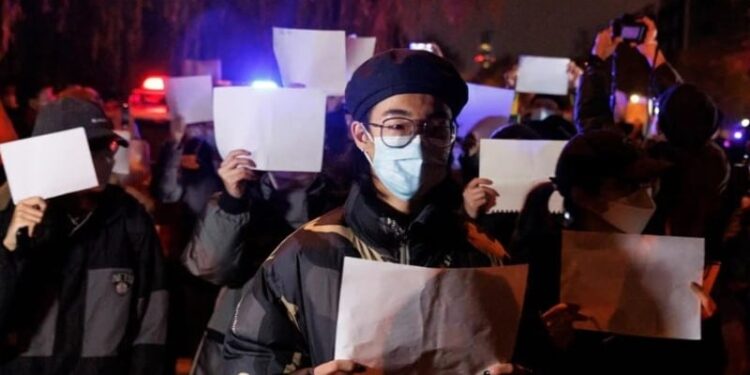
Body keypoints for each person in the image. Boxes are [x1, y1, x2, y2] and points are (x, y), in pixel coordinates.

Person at [223, 49, 514, 374]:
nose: (417, 141)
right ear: (362, 136)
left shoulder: (487, 258)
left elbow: (527, 354)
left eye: (435, 128)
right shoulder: (306, 254)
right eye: (397, 125)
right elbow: (248, 359)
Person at [511, 129, 719, 373]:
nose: (643, 195)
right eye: (625, 185)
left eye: (646, 184)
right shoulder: (542, 265)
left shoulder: (664, 260)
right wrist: (548, 345)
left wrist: (705, 326)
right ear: (583, 196)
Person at [0, 97, 168, 374]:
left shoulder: (130, 220)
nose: (109, 156)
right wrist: (10, 249)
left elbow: (152, 326)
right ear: (56, 153)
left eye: (111, 145)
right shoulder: (12, 218)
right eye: (94, 147)